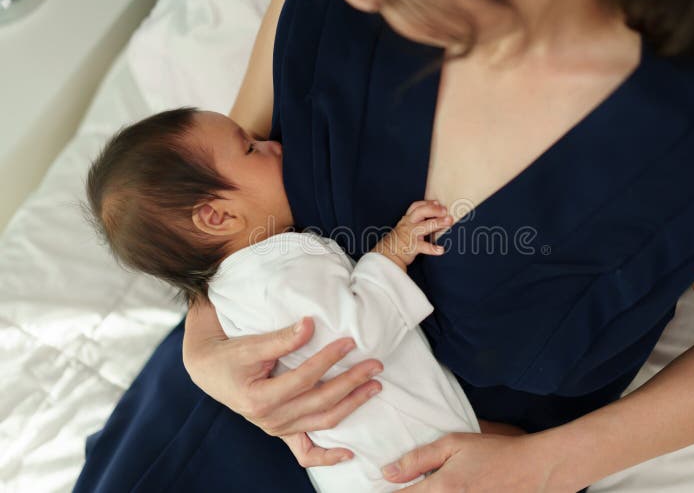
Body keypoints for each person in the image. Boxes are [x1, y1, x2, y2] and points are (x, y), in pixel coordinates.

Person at [76, 0, 694, 492]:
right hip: (241, 408)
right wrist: (207, 344)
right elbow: (217, 197)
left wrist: (544, 465)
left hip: (463, 472)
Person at [83, 106, 479, 492]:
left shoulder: (236, 289)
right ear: (217, 216)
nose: (273, 145)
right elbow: (356, 338)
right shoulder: (277, 276)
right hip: (407, 462)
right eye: (252, 149)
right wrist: (393, 251)